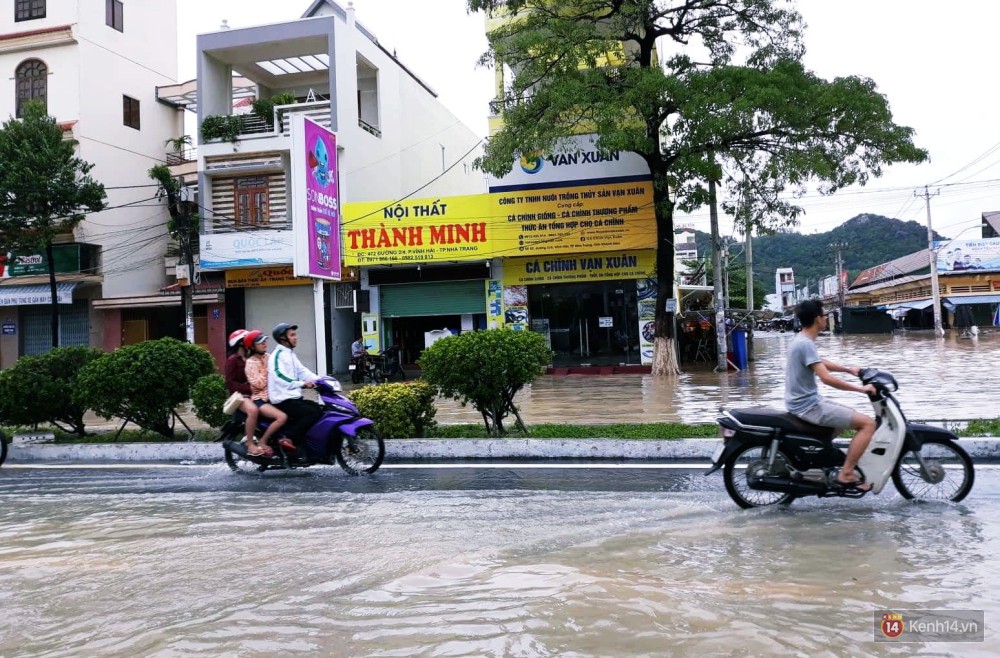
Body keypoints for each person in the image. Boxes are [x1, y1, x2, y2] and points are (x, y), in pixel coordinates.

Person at [785, 299, 877, 490]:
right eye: (824, 315)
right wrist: (861, 389)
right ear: (817, 319)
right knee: (868, 424)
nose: (826, 318)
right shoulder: (805, 344)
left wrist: (848, 369)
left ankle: (820, 461)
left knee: (845, 417)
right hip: (807, 406)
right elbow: (826, 378)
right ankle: (846, 473)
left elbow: (819, 361)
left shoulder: (802, 339)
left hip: (804, 402)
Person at [267, 322, 324, 451]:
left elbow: (302, 371)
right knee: (312, 412)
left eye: (295, 335)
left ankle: (303, 443)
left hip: (293, 398)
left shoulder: (291, 354)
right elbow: (279, 376)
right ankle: (287, 437)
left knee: (320, 409)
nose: (295, 338)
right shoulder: (277, 355)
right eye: (292, 335)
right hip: (282, 399)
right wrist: (302, 384)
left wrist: (321, 380)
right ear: (283, 338)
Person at [223, 329, 272, 457]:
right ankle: (250, 444)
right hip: (241, 396)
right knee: (253, 410)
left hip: (257, 394)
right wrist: (249, 388)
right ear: (241, 343)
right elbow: (230, 383)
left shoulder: (253, 358)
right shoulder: (233, 360)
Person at [243, 330, 288, 455]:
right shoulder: (250, 363)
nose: (264, 344)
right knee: (281, 417)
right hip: (260, 400)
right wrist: (267, 370)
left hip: (274, 396)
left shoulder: (269, 357)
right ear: (252, 346)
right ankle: (262, 441)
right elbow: (259, 384)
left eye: (265, 341)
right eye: (260, 342)